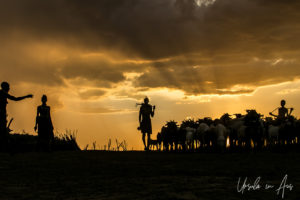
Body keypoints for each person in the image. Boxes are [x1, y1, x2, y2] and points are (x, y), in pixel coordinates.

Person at [0, 81, 33, 151]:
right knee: (2, 132)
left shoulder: (3, 94)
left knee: (3, 132)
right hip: (1, 116)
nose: (9, 89)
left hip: (2, 116)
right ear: (5, 88)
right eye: (8, 88)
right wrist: (26, 96)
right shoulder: (3, 93)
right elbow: (15, 99)